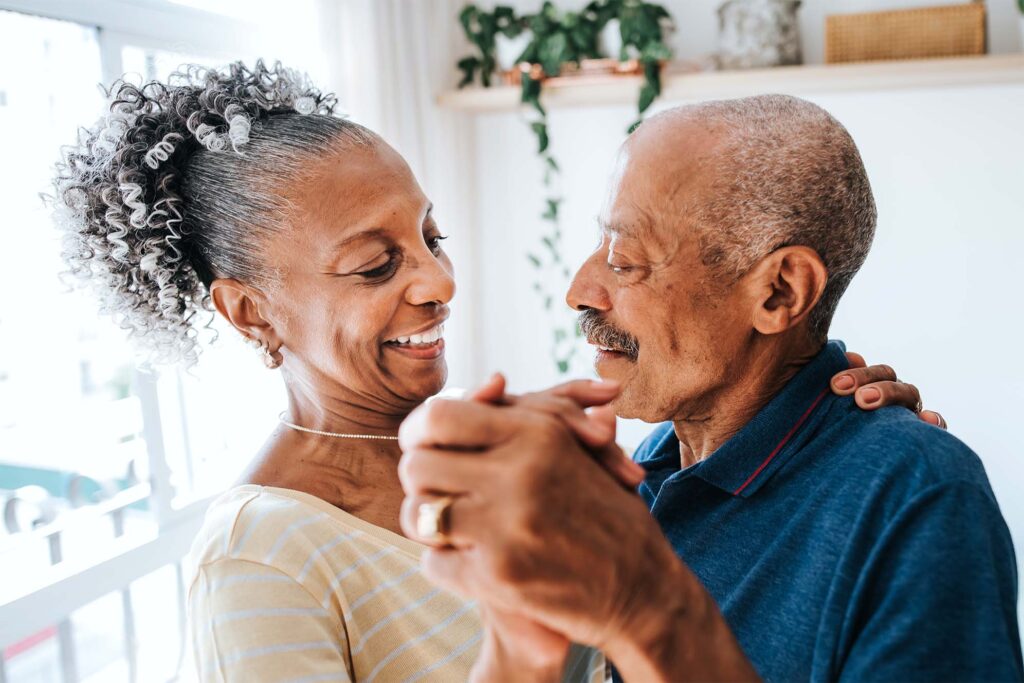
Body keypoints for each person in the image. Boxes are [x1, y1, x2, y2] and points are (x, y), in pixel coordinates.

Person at [52, 63, 939, 682]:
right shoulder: (260, 558)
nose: (438, 282)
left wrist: (841, 443)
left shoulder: (555, 459)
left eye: (430, 237)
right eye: (375, 265)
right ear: (249, 310)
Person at [397, 95, 1023, 681]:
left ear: (779, 292)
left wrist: (649, 610)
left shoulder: (917, 494)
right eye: (599, 243)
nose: (580, 292)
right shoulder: (647, 468)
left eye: (625, 260)